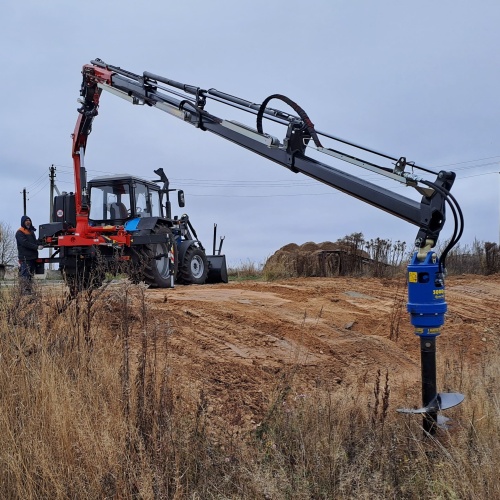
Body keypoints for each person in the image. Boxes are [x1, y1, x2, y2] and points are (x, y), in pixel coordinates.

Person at [15, 215, 43, 294]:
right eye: (26, 220)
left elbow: (33, 242)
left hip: (32, 257)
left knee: (30, 275)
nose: (28, 222)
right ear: (23, 222)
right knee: (25, 275)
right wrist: (36, 247)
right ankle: (24, 292)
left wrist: (41, 242)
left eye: (29, 220)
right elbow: (25, 243)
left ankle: (29, 291)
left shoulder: (31, 232)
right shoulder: (20, 232)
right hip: (25, 257)